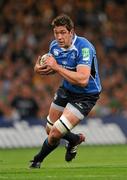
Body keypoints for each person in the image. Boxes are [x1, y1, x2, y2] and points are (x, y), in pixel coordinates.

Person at [30, 14, 102, 168]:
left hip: (86, 95)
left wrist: (56, 67)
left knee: (56, 133)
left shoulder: (84, 47)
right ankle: (74, 139)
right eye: (56, 33)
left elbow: (83, 80)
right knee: (49, 130)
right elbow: (54, 69)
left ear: (71, 32)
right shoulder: (54, 46)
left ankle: (37, 160)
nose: (59, 37)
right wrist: (40, 69)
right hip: (67, 89)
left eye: (63, 32)